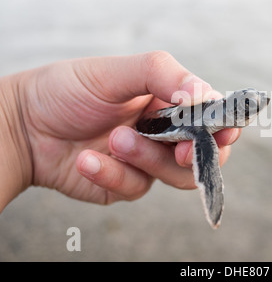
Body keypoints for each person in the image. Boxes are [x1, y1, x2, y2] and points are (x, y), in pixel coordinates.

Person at [0, 51, 240, 213]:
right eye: (245, 107)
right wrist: (21, 122)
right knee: (204, 155)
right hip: (160, 126)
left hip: (166, 125)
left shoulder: (209, 124)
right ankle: (213, 202)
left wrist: (23, 133)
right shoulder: (204, 123)